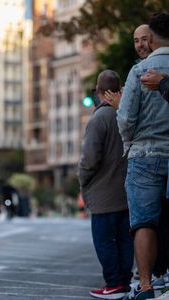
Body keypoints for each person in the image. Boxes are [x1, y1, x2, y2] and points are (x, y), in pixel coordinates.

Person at [117, 13, 169, 300]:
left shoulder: (141, 70)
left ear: (151, 38)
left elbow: (125, 118)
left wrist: (129, 144)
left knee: (143, 222)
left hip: (145, 152)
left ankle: (146, 286)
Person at [78, 70, 133, 299]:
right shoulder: (125, 114)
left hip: (102, 194)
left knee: (104, 240)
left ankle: (113, 283)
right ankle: (124, 283)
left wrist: (82, 179)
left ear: (98, 92)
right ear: (119, 91)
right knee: (124, 239)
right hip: (126, 190)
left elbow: (90, 158)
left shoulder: (99, 118)